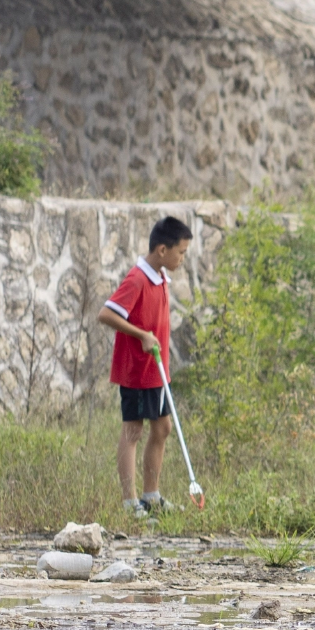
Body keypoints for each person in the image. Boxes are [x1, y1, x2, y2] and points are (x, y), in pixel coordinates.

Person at [96, 216, 193, 519]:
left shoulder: (161, 277)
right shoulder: (138, 278)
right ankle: (130, 502)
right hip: (136, 371)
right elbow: (106, 314)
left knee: (162, 428)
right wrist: (140, 335)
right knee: (133, 431)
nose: (182, 259)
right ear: (162, 249)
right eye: (181, 252)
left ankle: (152, 496)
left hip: (156, 370)